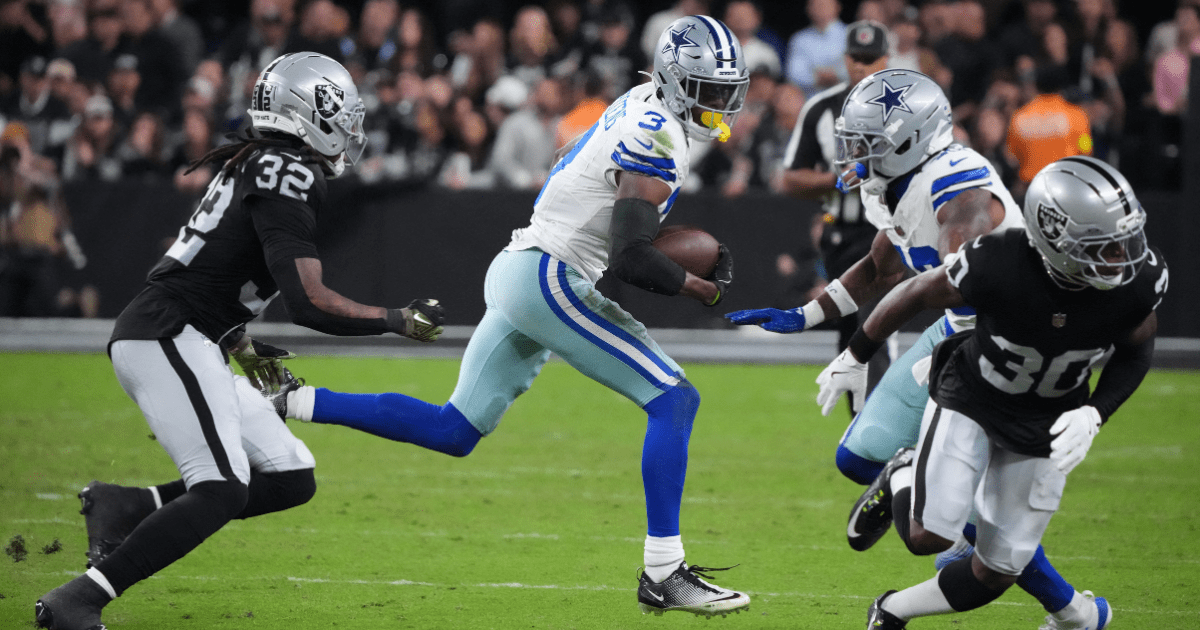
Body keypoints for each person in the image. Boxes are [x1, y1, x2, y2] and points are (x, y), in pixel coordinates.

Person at [272, 15, 750, 619]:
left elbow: (579, 172)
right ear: (676, 82)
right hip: (549, 275)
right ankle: (664, 572)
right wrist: (699, 288)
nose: (720, 105)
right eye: (708, 90)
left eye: (726, 91)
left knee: (454, 430)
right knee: (674, 399)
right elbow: (632, 257)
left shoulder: (641, 102)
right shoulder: (657, 135)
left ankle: (288, 400)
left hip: (522, 265)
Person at [33, 53, 446, 630]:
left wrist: (245, 351)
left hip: (183, 332)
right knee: (221, 489)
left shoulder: (260, 159)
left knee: (290, 477)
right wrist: (396, 319)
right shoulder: (288, 170)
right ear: (309, 113)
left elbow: (214, 273)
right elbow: (308, 302)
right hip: (169, 335)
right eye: (342, 114)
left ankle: (126, 504)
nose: (350, 129)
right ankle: (78, 600)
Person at [726, 69, 1113, 629]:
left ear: (910, 141)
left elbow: (949, 287)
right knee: (857, 458)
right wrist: (805, 316)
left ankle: (1069, 608)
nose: (853, 155)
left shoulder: (961, 195)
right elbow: (880, 268)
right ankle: (926, 494)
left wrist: (860, 351)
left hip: (1002, 348)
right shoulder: (902, 181)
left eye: (868, 143)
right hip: (956, 331)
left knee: (970, 522)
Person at [828, 156, 1163, 630]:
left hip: (1046, 422)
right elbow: (917, 291)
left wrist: (1094, 412)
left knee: (997, 571)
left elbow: (1137, 350)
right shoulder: (999, 260)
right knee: (926, 537)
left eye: (1125, 239)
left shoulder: (1137, 282)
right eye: (1103, 245)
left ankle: (892, 610)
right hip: (972, 400)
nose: (1122, 257)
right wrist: (856, 354)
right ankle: (902, 469)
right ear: (1055, 239)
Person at [778, 20, 893, 412]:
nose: (860, 66)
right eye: (855, 57)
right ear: (844, 58)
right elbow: (791, 177)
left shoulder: (905, 107)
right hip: (840, 234)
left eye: (869, 59)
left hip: (886, 231)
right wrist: (837, 180)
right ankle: (860, 426)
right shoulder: (822, 108)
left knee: (871, 329)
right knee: (849, 337)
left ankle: (877, 430)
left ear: (886, 60)